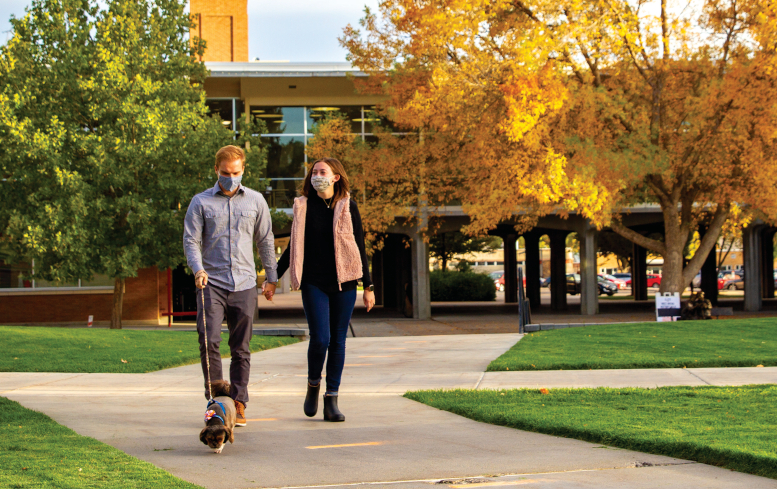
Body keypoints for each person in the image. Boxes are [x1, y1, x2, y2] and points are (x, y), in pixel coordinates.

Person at [270, 157, 375, 422]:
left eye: (322, 171)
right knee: (320, 339)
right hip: (313, 282)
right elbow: (294, 247)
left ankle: (332, 399)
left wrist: (369, 286)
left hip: (346, 281)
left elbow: (359, 246)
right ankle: (313, 384)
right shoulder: (303, 206)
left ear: (335, 177)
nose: (317, 175)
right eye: (314, 172)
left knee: (338, 340)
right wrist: (273, 278)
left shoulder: (348, 206)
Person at [183, 145, 278, 428]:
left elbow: (265, 240)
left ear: (243, 170)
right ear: (216, 170)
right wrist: (197, 269)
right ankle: (215, 401)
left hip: (245, 283)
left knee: (241, 348)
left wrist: (271, 277)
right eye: (226, 173)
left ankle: (238, 401)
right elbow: (191, 241)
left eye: (236, 173)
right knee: (209, 339)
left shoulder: (256, 201)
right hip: (210, 282)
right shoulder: (200, 203)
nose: (231, 178)